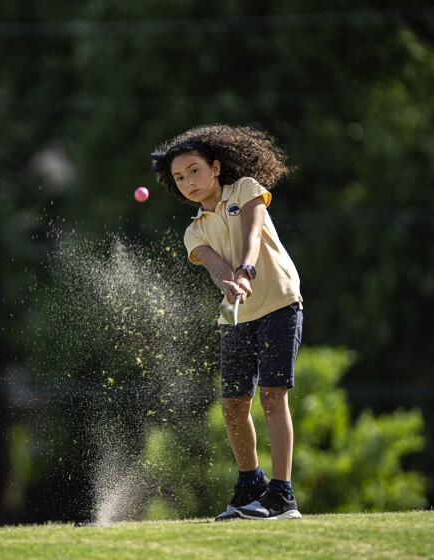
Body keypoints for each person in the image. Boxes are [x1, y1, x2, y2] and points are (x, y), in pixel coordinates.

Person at [151, 124, 303, 521]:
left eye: (194, 171)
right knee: (233, 404)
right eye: (179, 178)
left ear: (216, 167)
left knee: (272, 396)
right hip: (234, 312)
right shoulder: (194, 231)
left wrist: (246, 272)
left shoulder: (246, 188)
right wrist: (229, 281)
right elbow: (216, 268)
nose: (188, 182)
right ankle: (251, 484)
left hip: (279, 300)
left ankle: (282, 496)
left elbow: (253, 234)